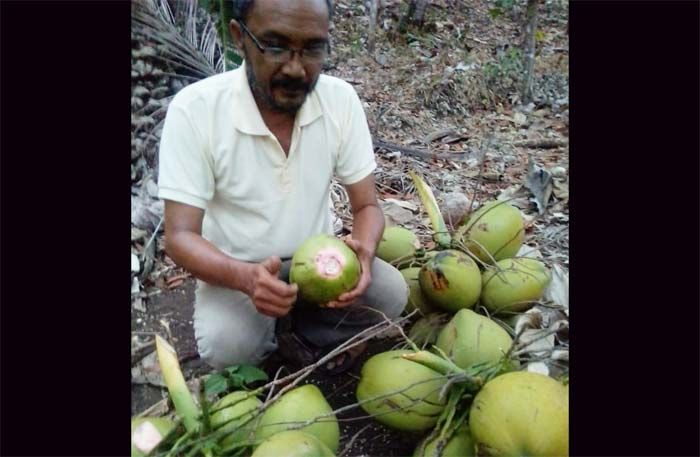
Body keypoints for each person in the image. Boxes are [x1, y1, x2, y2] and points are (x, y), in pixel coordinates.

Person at [157, 0, 408, 373]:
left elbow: (366, 207)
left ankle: (300, 330)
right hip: (237, 267)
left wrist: (365, 253)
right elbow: (179, 236)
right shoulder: (195, 110)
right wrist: (244, 278)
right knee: (229, 349)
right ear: (240, 38)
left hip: (317, 261)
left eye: (312, 48)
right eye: (275, 46)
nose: (295, 67)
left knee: (391, 296)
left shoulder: (339, 100)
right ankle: (282, 331)